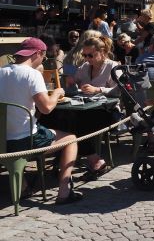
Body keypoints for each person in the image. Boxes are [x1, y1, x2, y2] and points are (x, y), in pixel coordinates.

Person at [0, 38, 81, 204]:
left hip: (2, 141)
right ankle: (64, 192)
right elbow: (46, 108)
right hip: (23, 143)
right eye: (43, 57)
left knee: (32, 126)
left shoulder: (1, 72)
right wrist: (57, 93)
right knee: (71, 138)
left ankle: (22, 186)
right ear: (38, 53)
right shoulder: (32, 74)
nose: (42, 61)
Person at [73, 36, 119, 179]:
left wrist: (98, 90)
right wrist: (70, 82)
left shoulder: (113, 67)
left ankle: (95, 161)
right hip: (84, 107)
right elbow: (74, 81)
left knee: (78, 125)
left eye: (90, 55)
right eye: (84, 55)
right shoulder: (85, 66)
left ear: (103, 52)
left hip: (108, 111)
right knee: (62, 120)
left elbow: (119, 91)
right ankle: (69, 158)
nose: (87, 58)